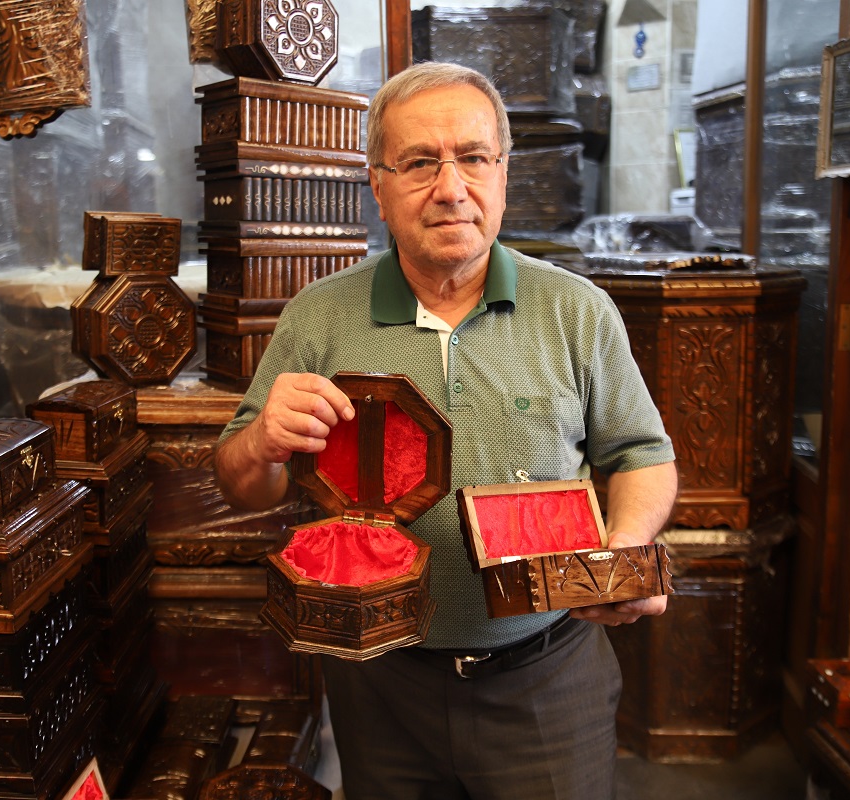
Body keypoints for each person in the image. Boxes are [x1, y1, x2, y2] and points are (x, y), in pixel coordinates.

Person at [214, 61, 678, 800]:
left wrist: (622, 548)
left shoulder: (576, 310)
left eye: (473, 158)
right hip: (380, 679)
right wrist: (263, 440)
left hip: (548, 678)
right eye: (420, 163)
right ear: (378, 184)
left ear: (502, 172)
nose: (451, 187)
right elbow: (242, 485)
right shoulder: (319, 315)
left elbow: (642, 455)